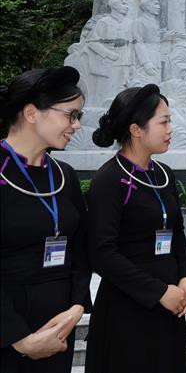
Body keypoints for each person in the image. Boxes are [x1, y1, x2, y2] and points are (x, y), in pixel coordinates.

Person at [85, 84, 186, 373]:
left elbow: (177, 234)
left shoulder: (164, 175)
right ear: (136, 129)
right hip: (128, 309)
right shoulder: (109, 180)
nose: (171, 128)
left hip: (170, 303)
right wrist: (158, 291)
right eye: (164, 121)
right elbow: (102, 254)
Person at [0, 66, 91, 373]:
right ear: (31, 113)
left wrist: (76, 308)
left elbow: (81, 248)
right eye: (71, 114)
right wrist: (19, 339)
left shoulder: (64, 175)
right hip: (10, 331)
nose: (76, 126)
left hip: (59, 330)